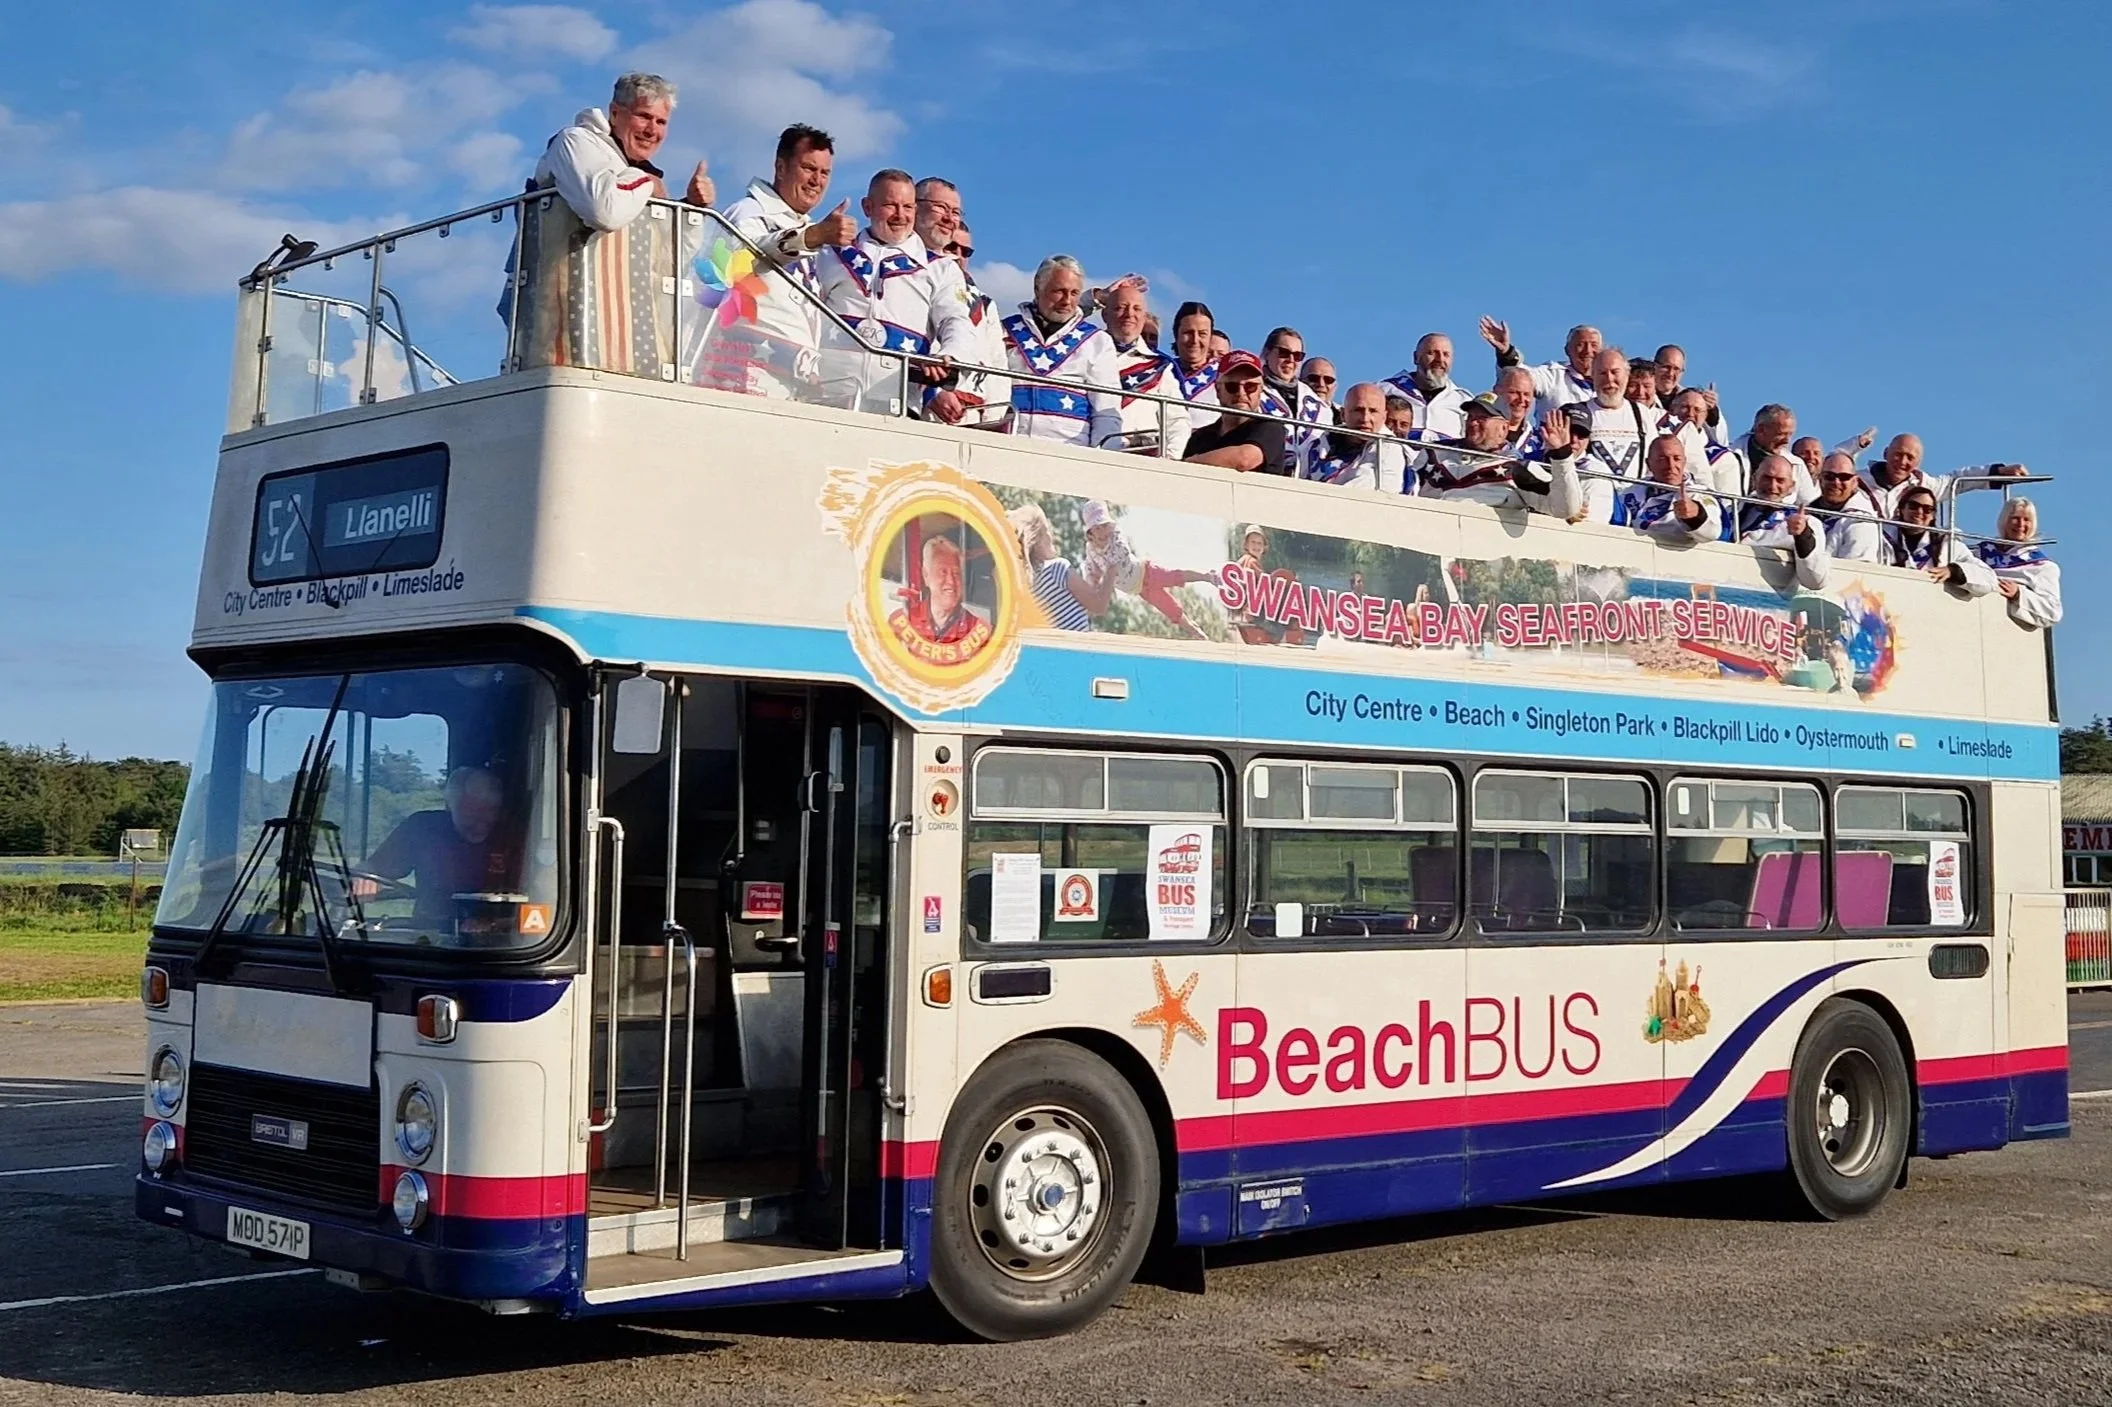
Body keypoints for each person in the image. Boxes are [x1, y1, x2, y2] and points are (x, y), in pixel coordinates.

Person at [514, 73, 716, 376]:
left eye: (661, 122)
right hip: (568, 345)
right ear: (616, 113)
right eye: (643, 116)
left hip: (637, 345)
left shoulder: (632, 175)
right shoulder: (576, 142)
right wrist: (646, 182)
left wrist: (691, 208)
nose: (652, 130)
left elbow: (674, 262)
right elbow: (603, 211)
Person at [702, 123, 860, 398]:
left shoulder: (810, 229)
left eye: (824, 173)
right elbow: (740, 260)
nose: (817, 180)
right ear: (781, 167)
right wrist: (810, 237)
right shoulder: (748, 212)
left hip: (792, 379)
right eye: (808, 168)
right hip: (743, 370)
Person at [816, 168, 975, 409]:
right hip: (827, 397)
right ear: (867, 207)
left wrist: (950, 355)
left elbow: (956, 320)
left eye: (908, 207)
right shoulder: (831, 255)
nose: (900, 215)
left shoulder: (940, 269)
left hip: (898, 403)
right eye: (890, 205)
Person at [352, 767, 517, 929]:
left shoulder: (516, 837)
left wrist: (493, 924)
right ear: (450, 806)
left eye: (489, 813)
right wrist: (364, 875)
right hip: (430, 934)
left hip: (506, 943)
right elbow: (375, 867)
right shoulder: (423, 828)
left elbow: (538, 899)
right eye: (471, 814)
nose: (480, 823)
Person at [1002, 255, 1121, 447]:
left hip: (1069, 452)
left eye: (1074, 293)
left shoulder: (1097, 341)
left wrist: (1105, 459)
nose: (1067, 301)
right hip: (1009, 445)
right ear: (1037, 289)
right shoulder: (1003, 331)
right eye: (1059, 291)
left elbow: (1106, 411)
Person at [1420, 398, 1583, 519]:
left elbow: (1564, 509)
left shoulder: (1517, 469)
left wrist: (1562, 455)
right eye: (1470, 417)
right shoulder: (1434, 452)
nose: (1473, 423)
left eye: (1482, 418)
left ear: (1504, 428)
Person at [1080, 500, 1214, 638]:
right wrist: (1092, 586)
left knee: (1174, 577)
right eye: (1097, 528)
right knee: (1169, 608)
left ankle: (1207, 576)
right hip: (1139, 589)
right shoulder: (1091, 550)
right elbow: (1092, 570)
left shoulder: (1115, 535)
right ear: (1090, 533)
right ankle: (1194, 630)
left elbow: (1123, 550)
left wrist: (1108, 558)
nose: (1103, 532)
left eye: (1105, 526)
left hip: (1146, 572)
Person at [926, 216, 1011, 426]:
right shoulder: (923, 283)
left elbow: (997, 363)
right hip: (933, 405)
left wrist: (994, 417)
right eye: (952, 247)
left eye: (966, 251)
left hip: (974, 410)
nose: (959, 255)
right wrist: (933, 392)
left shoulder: (985, 304)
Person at [1562, 348, 1656, 524]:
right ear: (1592, 377)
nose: (1609, 379)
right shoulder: (1578, 412)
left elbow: (1653, 462)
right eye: (1602, 373)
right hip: (1592, 506)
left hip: (1634, 509)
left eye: (1615, 372)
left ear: (1627, 375)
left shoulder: (1642, 414)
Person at [1101, 278, 1191, 456]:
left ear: (1144, 316)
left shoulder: (1161, 366)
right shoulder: (1084, 351)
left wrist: (1169, 460)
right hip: (1089, 457)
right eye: (1120, 307)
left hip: (1141, 460)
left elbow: (1178, 421)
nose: (1129, 314)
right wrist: (1096, 298)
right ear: (1104, 315)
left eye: (1136, 309)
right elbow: (1063, 318)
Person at [1949, 497, 2061, 627]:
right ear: (2004, 520)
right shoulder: (1980, 552)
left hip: (2005, 629)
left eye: (2026, 519)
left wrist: (2019, 594)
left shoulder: (2043, 567)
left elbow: (2052, 612)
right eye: (2015, 518)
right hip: (1967, 619)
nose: (2020, 524)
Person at [1861, 432, 2026, 518]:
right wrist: (1855, 445)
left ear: (1918, 463)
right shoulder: (1856, 480)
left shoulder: (1922, 484)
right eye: (1898, 454)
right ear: (1885, 453)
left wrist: (2000, 472)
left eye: (1910, 457)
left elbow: (1957, 481)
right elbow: (1836, 468)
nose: (1902, 461)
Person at [888, 533, 992, 659]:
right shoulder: (902, 622)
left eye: (956, 573)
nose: (951, 581)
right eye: (942, 572)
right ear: (926, 575)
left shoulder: (977, 630)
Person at [1009, 502, 1110, 630]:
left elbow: (1075, 610)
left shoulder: (1025, 589)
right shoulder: (1057, 569)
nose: (1052, 536)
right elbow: (1099, 605)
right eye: (1047, 530)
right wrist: (1112, 566)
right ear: (1037, 540)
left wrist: (1094, 581)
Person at [1183, 351, 1289, 473]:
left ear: (1260, 391)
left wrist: (1190, 463)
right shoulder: (1200, 437)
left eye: (1250, 387)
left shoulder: (1271, 428)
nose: (1241, 393)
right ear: (1218, 390)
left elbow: (1244, 459)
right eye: (1232, 387)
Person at [1737, 454, 1830, 589]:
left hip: (1765, 601)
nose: (1772, 486)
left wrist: (1803, 536)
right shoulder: (1734, 509)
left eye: (1780, 480)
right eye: (1766, 478)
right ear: (1754, 479)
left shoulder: (1807, 523)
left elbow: (1816, 581)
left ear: (1791, 487)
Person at [1481, 317, 1599, 421]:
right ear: (1567, 350)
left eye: (1594, 345)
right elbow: (1519, 376)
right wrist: (1506, 352)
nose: (1587, 351)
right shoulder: (1552, 376)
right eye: (1581, 345)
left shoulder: (1612, 381)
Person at [1615, 435, 1719, 544]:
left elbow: (1712, 533)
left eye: (1677, 458)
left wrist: (1695, 517)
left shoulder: (1698, 494)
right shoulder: (1631, 492)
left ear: (1684, 462)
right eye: (1662, 459)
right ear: (1648, 464)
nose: (1671, 465)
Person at [1310, 383, 1412, 492]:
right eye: (1358, 410)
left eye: (1373, 411)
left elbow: (1385, 492)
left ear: (1384, 417)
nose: (1365, 419)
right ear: (1343, 414)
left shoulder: (1390, 448)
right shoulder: (1319, 443)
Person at [1260, 326, 1330, 475]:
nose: (1290, 360)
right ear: (1267, 353)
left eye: (1297, 356)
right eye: (1284, 353)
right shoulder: (1251, 390)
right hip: (1263, 478)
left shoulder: (1317, 404)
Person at [1382, 332, 1473, 438]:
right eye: (1432, 353)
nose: (1440, 359)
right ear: (1416, 357)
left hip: (1445, 455)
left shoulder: (1464, 401)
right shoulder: (1385, 390)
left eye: (1446, 354)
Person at [1809, 452, 1885, 562]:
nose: (1836, 482)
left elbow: (1853, 571)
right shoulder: (1804, 512)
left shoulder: (1862, 521)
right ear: (1820, 479)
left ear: (1855, 482)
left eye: (1844, 477)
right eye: (1829, 476)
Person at [1883, 484, 1971, 572]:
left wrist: (1953, 571)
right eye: (1913, 506)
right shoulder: (1880, 535)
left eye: (1927, 509)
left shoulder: (1947, 544)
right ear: (1902, 509)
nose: (1919, 512)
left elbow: (1983, 572)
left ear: (1933, 515)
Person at [1734, 404, 1811, 501]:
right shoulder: (1729, 457)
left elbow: (1809, 506)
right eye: (1781, 434)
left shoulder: (1797, 465)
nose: (1787, 441)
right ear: (1761, 429)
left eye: (1790, 434)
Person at [1168, 300, 1223, 430]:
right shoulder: (1160, 370)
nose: (1195, 340)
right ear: (1176, 335)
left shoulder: (1224, 375)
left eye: (1202, 334)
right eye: (1188, 333)